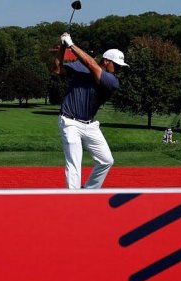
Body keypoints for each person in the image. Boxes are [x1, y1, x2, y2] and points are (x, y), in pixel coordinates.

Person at [52, 33, 127, 189]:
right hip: (69, 122)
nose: (118, 69)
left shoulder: (112, 81)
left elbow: (91, 64)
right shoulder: (81, 67)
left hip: (90, 125)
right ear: (106, 61)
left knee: (106, 160)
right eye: (116, 65)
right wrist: (63, 48)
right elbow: (58, 70)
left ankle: (89, 191)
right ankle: (74, 199)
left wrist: (71, 44)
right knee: (74, 163)